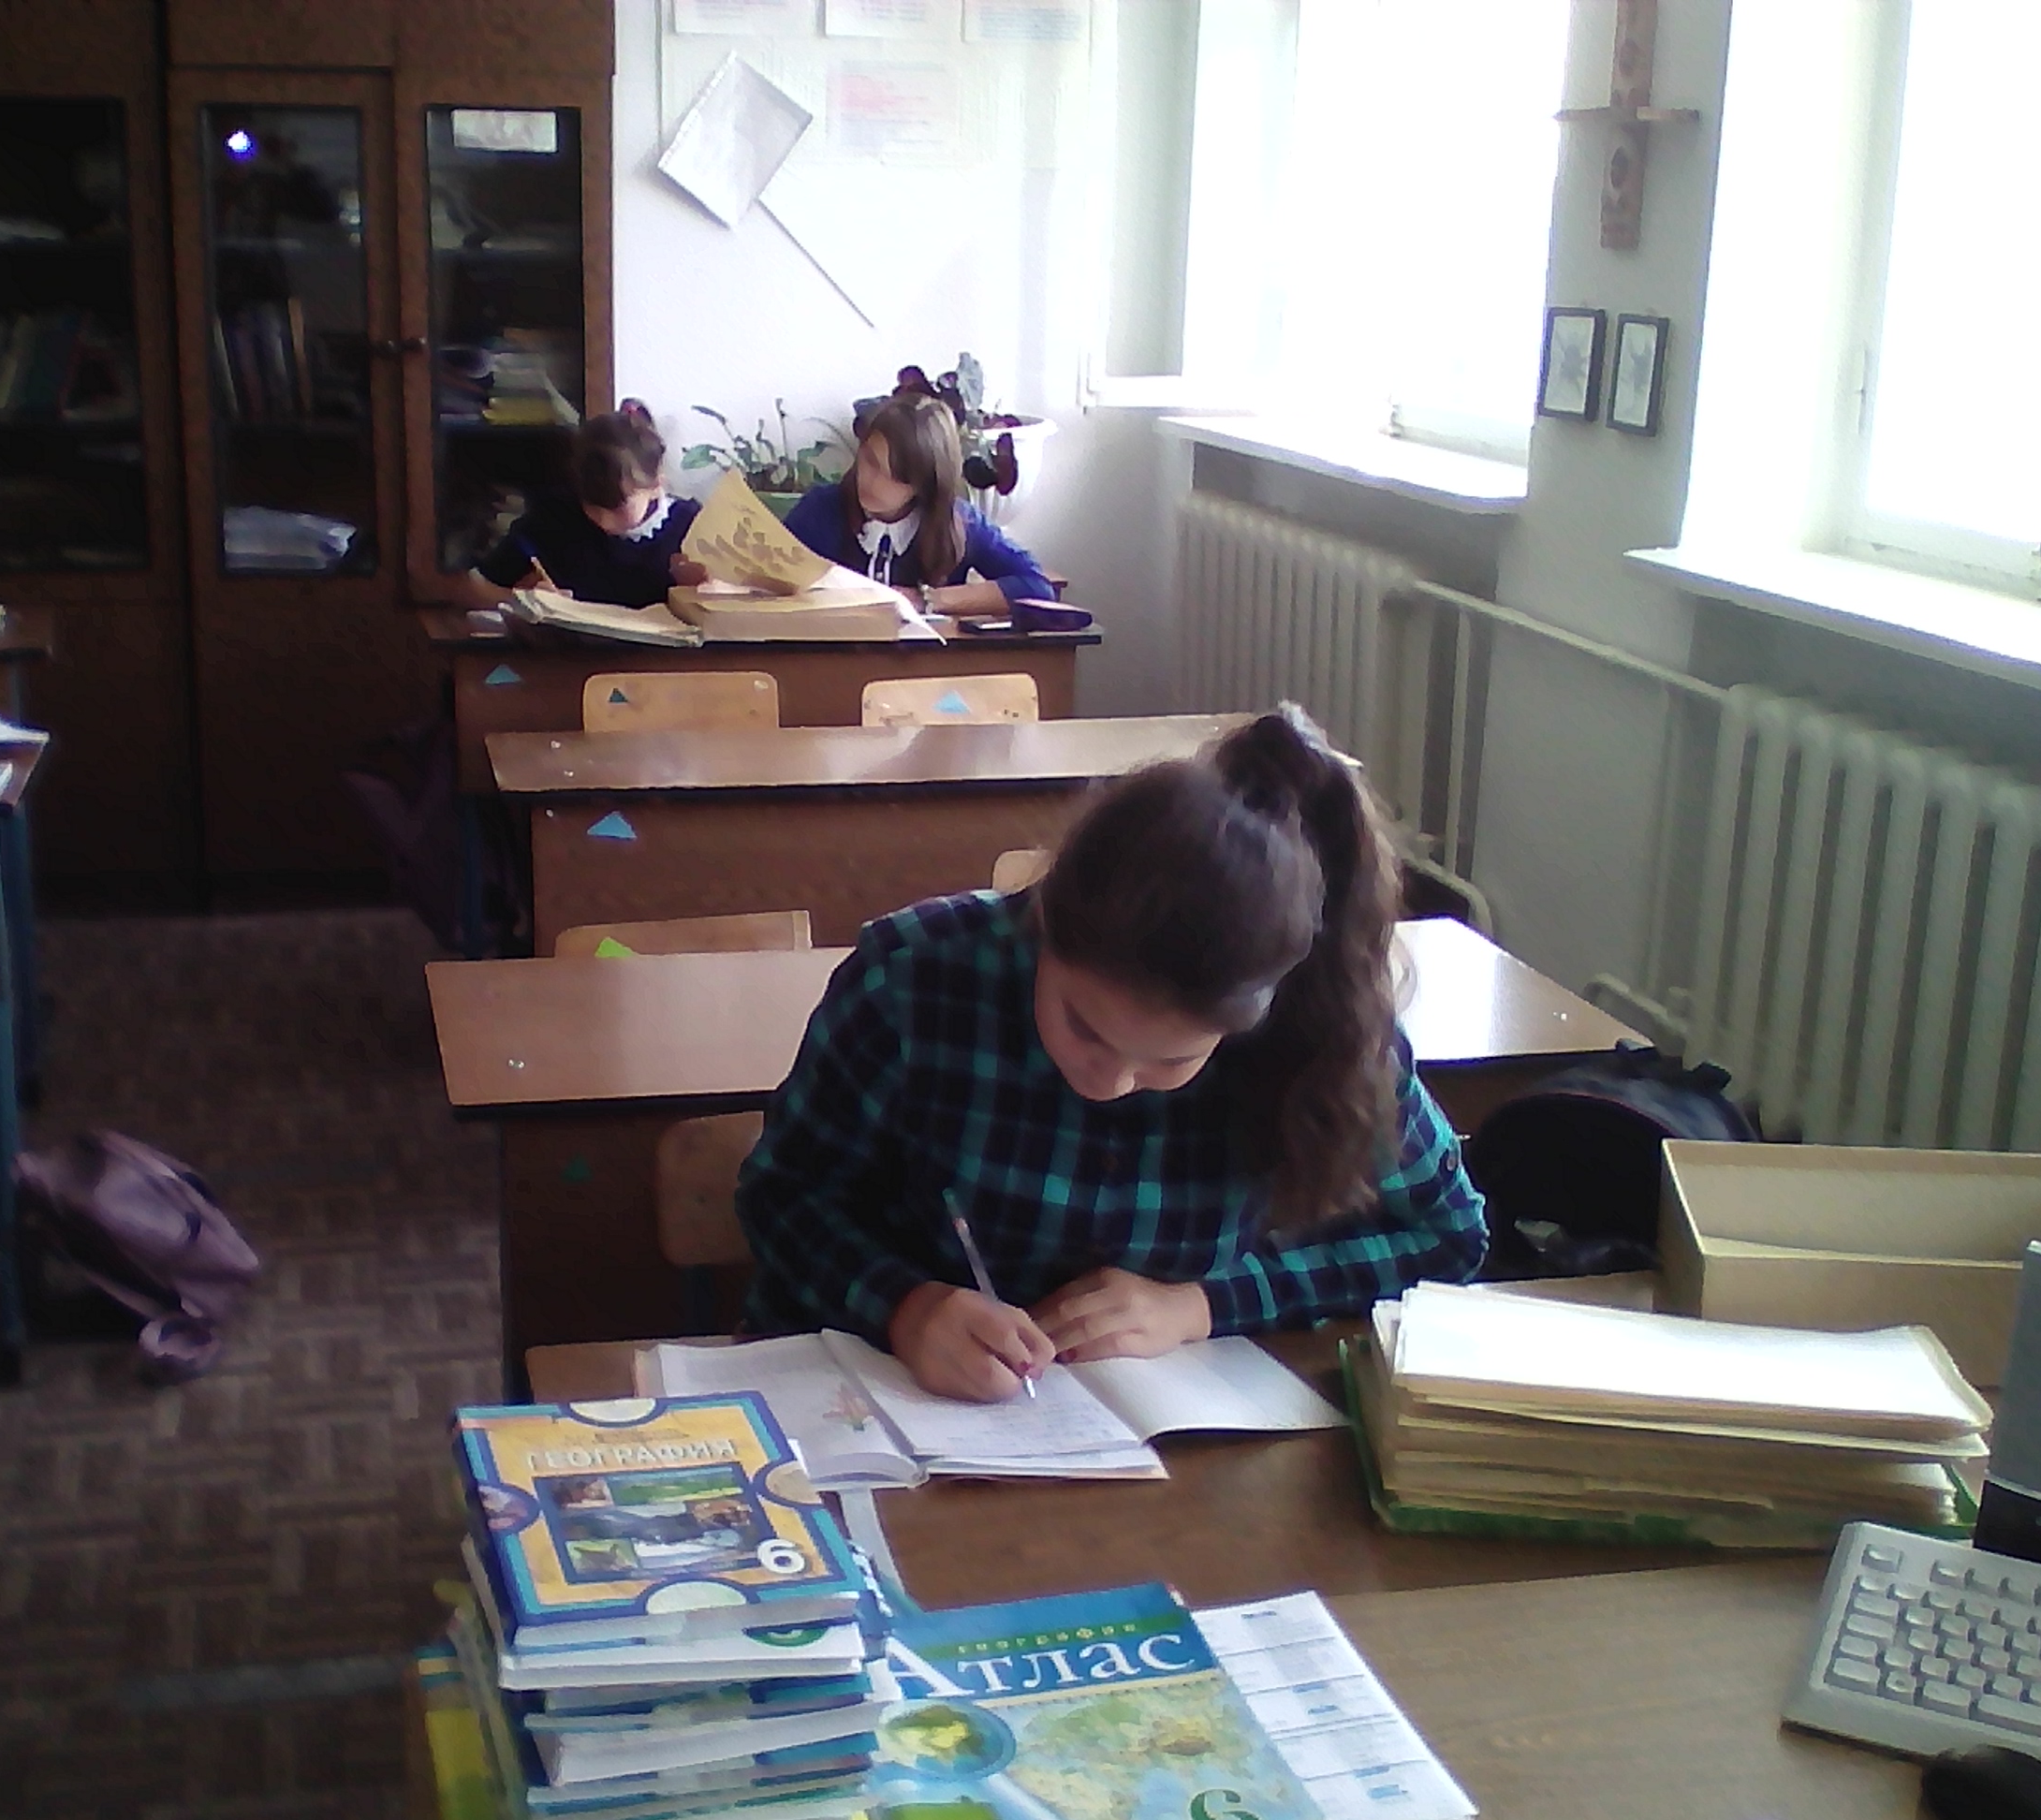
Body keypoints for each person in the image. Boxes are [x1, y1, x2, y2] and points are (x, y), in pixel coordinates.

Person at [735, 705, 1489, 1403]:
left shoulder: (1323, 1033)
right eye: (1084, 1028)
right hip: (905, 1408)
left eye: (1171, 1062)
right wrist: (906, 1306)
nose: (1110, 1082)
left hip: (1172, 1434)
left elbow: (1448, 1235)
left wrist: (1200, 1306)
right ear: (1046, 919)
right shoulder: (914, 976)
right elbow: (783, 1194)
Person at [780, 392, 1052, 619]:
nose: (873, 482)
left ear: (925, 484)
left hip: (923, 666)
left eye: (896, 476)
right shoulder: (820, 509)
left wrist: (930, 599)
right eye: (870, 460)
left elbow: (1035, 587)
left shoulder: (958, 521)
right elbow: (767, 579)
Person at [444, 403, 700, 610]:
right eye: (592, 504)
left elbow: (723, 608)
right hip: (572, 657)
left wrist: (709, 591)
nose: (603, 521)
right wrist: (522, 600)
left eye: (618, 506)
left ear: (656, 484)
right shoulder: (554, 517)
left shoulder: (692, 526)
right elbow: (472, 589)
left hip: (662, 659)